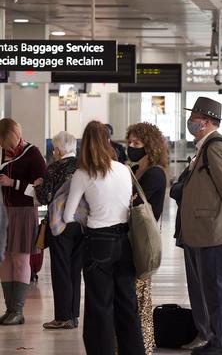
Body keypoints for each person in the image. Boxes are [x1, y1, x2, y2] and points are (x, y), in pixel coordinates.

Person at [64, 121, 145, 355]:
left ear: (85, 143)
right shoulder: (123, 169)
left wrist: (88, 214)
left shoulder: (83, 173)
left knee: (99, 305)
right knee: (127, 304)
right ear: (108, 141)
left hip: (98, 241)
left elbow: (69, 215)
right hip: (124, 241)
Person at [182, 97, 222, 355]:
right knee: (210, 290)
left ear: (207, 121)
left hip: (214, 231)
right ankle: (215, 339)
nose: (191, 122)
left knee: (218, 290)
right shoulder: (203, 146)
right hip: (203, 231)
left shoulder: (215, 147)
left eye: (195, 117)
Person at [126, 122, 168, 355]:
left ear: (149, 146)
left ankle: (144, 343)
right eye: (130, 143)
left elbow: (139, 207)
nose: (132, 147)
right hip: (131, 239)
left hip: (141, 242)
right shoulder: (136, 170)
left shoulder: (154, 174)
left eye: (137, 143)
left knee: (140, 296)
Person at [34, 131, 83, 330]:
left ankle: (63, 316)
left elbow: (46, 197)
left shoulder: (55, 167)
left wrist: (37, 186)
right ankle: (74, 315)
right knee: (74, 270)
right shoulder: (82, 165)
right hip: (81, 224)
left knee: (60, 270)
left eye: (54, 148)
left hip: (60, 223)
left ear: (59, 149)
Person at [0, 118, 46, 325]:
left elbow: (41, 191)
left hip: (25, 212)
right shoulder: (2, 154)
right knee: (5, 259)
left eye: (5, 143)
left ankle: (18, 310)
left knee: (20, 259)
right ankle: (9, 309)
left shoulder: (33, 153)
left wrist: (14, 183)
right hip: (4, 211)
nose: (4, 147)